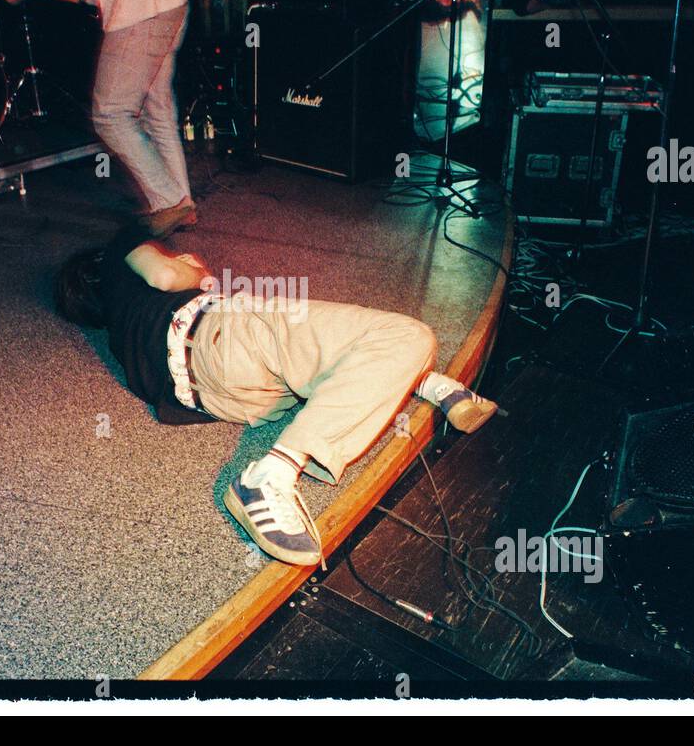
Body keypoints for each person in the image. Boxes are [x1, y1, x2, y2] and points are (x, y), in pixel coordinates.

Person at [54, 228, 501, 569]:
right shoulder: (118, 248)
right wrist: (196, 272)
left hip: (217, 397)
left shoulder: (120, 331)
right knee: (404, 333)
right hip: (218, 332)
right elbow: (165, 273)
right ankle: (268, 476)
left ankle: (418, 381)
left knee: (321, 361)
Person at [0, 0, 197, 239]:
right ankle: (181, 202)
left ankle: (172, 202)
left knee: (111, 115)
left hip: (142, 14)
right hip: (170, 2)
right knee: (157, 110)